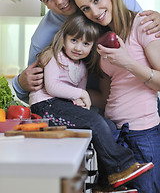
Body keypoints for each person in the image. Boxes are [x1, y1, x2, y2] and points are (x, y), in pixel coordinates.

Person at [29, 12, 153, 192]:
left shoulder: (81, 68)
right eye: (74, 40)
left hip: (63, 107)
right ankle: (123, 167)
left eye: (86, 43)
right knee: (95, 122)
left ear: (93, 47)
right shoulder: (53, 56)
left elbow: (79, 98)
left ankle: (106, 182)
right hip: (45, 107)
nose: (79, 47)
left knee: (108, 125)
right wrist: (82, 94)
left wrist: (82, 102)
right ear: (63, 38)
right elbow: (52, 86)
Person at [12, 0, 160, 105]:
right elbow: (36, 96)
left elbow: (145, 35)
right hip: (91, 109)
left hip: (142, 99)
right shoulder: (43, 36)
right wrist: (20, 84)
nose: (59, 1)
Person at [69, 0, 160, 193]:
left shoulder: (142, 23)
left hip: (143, 133)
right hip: (113, 135)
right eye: (85, 8)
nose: (94, 12)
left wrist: (127, 62)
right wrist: (71, 97)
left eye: (96, 0)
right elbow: (107, 94)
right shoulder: (100, 41)